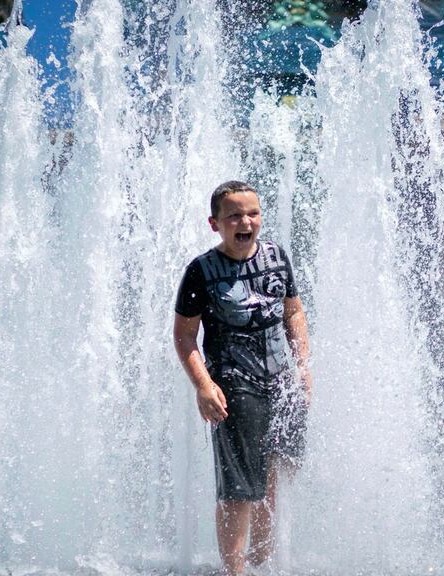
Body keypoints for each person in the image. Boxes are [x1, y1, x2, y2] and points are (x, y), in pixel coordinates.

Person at [173, 180, 312, 576]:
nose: (245, 221)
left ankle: (260, 564)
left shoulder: (276, 257)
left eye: (252, 213)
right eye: (234, 215)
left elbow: (293, 312)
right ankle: (234, 572)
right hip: (234, 385)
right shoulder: (201, 272)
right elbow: (184, 335)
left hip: (281, 381)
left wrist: (303, 366)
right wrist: (203, 385)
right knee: (239, 489)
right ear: (215, 223)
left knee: (273, 477)